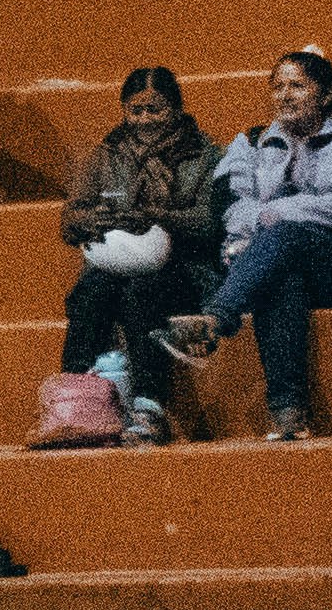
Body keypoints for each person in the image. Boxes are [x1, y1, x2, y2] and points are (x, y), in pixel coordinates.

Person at [166, 49, 332, 441]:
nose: (284, 95)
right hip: (273, 258)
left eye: (297, 86)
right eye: (278, 86)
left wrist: (277, 215)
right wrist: (265, 228)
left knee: (283, 238)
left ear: (325, 94)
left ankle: (218, 317)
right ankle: (289, 414)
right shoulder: (251, 142)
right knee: (279, 275)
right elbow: (226, 205)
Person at [56, 67, 222, 447]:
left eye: (156, 110)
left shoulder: (206, 155)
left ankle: (149, 406)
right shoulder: (104, 156)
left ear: (177, 110)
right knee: (91, 292)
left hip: (182, 266)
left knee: (144, 293)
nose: (145, 120)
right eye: (136, 111)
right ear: (124, 111)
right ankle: (76, 401)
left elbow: (209, 221)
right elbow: (70, 220)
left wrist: (155, 218)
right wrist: (94, 220)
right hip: (111, 265)